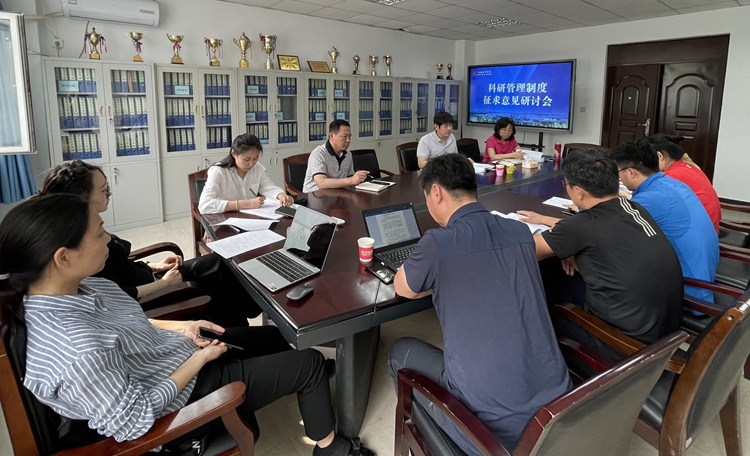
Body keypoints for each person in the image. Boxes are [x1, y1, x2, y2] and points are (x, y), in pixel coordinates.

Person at [0, 193, 373, 456]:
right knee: (309, 363)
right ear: (63, 257)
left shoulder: (77, 287)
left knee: (273, 336)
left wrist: (181, 327)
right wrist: (199, 360)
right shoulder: (75, 349)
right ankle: (331, 447)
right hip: (181, 392)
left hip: (168, 356)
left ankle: (301, 390)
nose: (110, 239)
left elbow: (126, 327)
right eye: (99, 233)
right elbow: (134, 422)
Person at [388, 154, 571, 455]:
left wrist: (439, 277)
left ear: (436, 192)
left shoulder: (437, 242)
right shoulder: (519, 231)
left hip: (494, 435)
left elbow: (403, 287)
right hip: (557, 414)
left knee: (400, 351)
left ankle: (436, 444)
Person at [39, 161, 261, 327]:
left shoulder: (87, 223)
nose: (109, 193)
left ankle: (248, 314)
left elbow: (118, 265)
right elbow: (117, 293)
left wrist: (153, 265)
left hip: (148, 276)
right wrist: (164, 283)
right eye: (103, 189)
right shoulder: (81, 243)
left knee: (217, 263)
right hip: (148, 296)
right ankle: (242, 327)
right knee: (217, 281)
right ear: (82, 197)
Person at [518, 149, 683, 354]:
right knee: (562, 275)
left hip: (624, 345)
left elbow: (524, 252)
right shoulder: (634, 209)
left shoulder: (583, 225)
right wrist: (566, 246)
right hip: (665, 332)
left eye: (566, 184)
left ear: (579, 192)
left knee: (541, 289)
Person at [611, 140, 718, 303]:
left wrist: (586, 205)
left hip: (688, 291)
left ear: (631, 172)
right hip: (703, 277)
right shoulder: (671, 184)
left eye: (617, 172)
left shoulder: (650, 199)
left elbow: (608, 228)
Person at [199, 133, 293, 214]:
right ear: (233, 153)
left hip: (250, 217)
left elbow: (267, 186)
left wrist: (281, 195)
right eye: (246, 159)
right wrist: (244, 204)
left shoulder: (258, 169)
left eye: (255, 158)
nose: (251, 164)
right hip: (224, 218)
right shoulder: (218, 172)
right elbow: (204, 205)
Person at [646, 133, 720, 233]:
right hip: (709, 227)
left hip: (697, 232)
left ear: (660, 156)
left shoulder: (673, 175)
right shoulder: (687, 167)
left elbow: (650, 203)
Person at [302, 120, 369, 193]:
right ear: (332, 136)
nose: (348, 140)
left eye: (349, 136)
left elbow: (350, 177)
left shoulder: (347, 154)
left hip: (337, 193)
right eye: (344, 136)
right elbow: (321, 183)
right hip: (315, 195)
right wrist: (352, 180)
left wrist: (358, 178)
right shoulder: (318, 154)